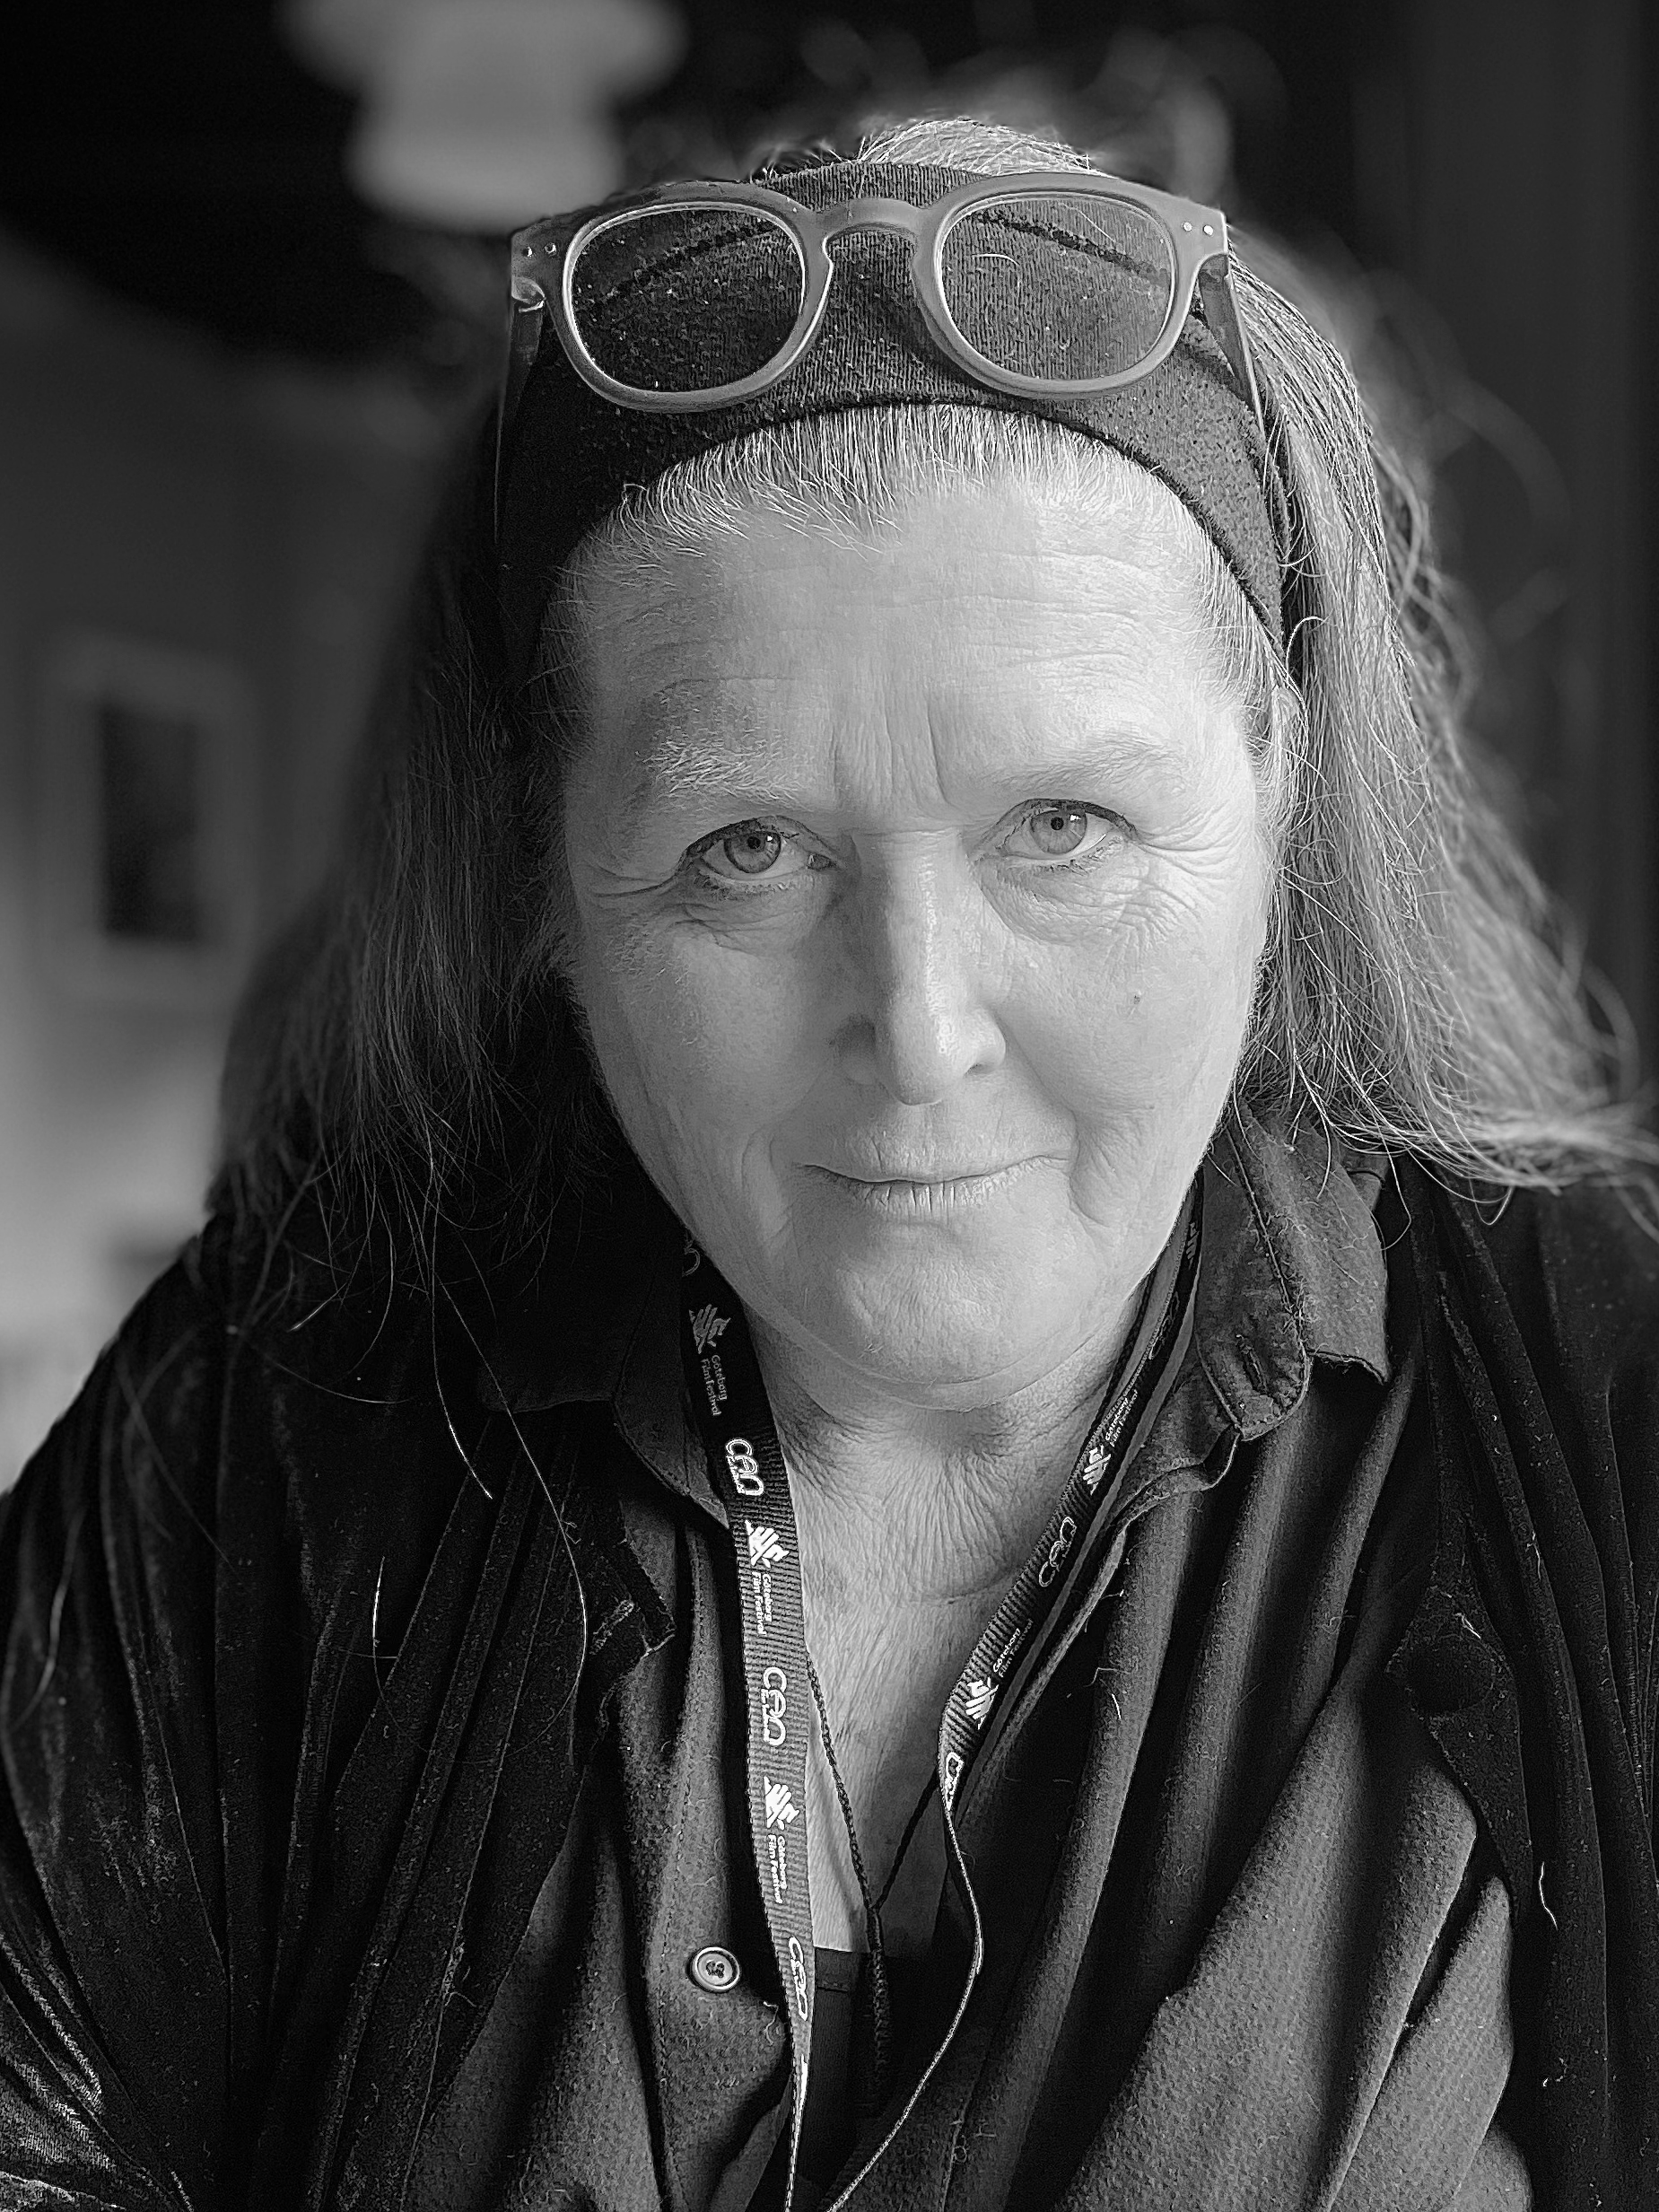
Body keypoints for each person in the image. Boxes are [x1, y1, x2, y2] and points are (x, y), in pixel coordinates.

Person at [2, 113, 1656, 2212]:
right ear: (550, 893)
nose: (924, 1028)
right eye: (747, 851)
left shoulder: (1604, 1394)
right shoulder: (276, 1395)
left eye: (1062, 827)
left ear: (1281, 809)